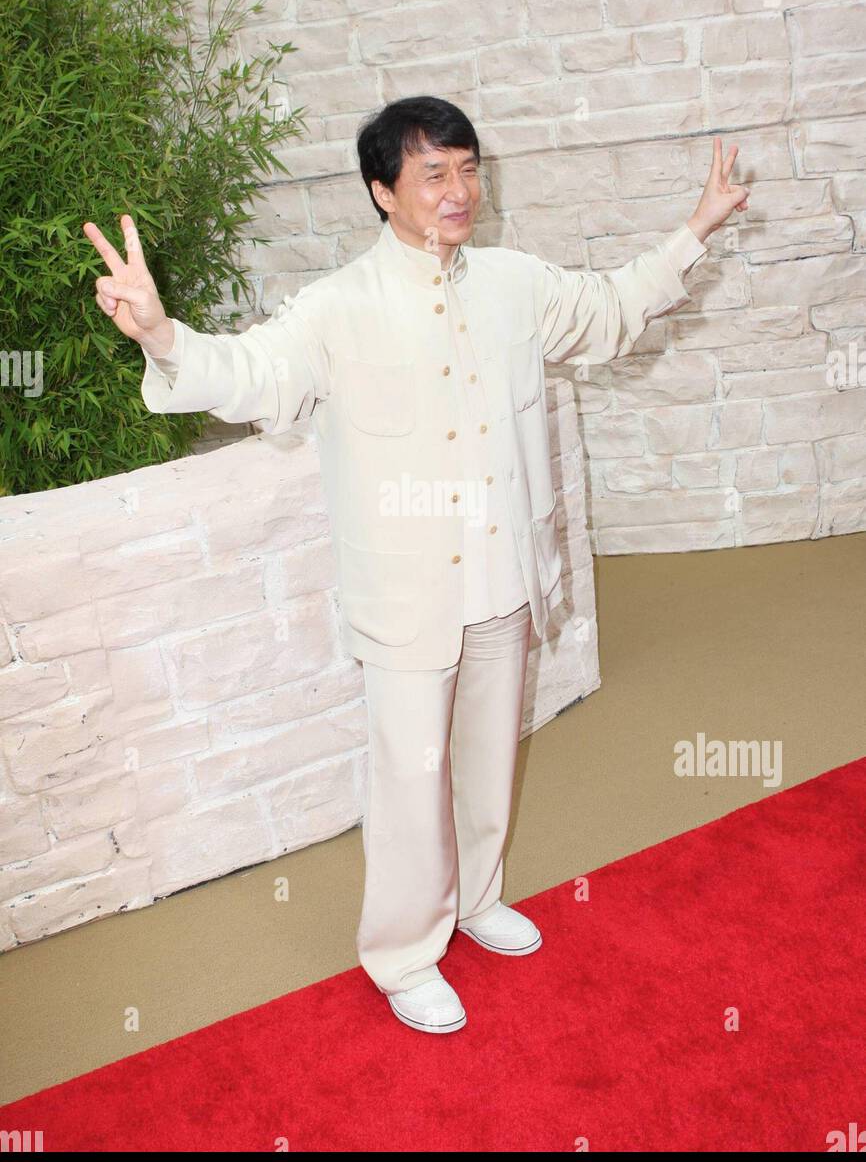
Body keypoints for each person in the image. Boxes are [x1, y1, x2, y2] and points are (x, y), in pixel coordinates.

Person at [84, 96, 749, 1035]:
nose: (459, 190)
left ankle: (476, 899)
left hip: (501, 576)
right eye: (433, 173)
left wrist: (696, 228)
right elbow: (250, 374)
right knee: (408, 774)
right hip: (405, 592)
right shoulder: (338, 308)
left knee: (490, 753)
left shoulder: (515, 283)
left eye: (469, 169)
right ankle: (403, 955)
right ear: (381, 192)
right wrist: (160, 334)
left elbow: (608, 310)